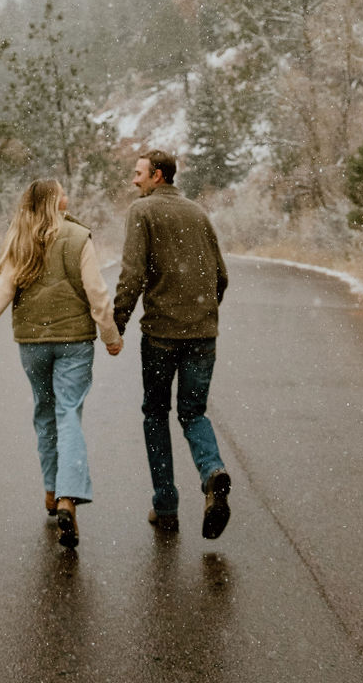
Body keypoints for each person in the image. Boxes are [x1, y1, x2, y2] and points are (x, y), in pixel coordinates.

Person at [0, 179, 122, 549]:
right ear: (55, 201)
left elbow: (1, 293)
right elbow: (97, 293)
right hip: (75, 341)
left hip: (33, 344)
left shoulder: (21, 239)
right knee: (69, 413)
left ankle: (50, 490)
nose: (67, 197)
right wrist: (110, 336)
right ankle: (67, 496)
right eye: (62, 192)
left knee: (45, 414)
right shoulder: (79, 237)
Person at [113, 149, 231, 539]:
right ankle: (212, 472)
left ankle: (166, 506)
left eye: (139, 174)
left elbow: (132, 274)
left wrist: (118, 321)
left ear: (158, 176)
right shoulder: (198, 212)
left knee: (155, 413)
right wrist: (201, 314)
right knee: (194, 413)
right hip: (203, 333)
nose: (134, 180)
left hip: (162, 334)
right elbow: (221, 277)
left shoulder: (142, 212)